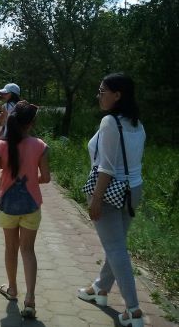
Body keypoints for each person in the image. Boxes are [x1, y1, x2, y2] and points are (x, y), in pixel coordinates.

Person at [77, 73, 146, 327]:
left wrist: (96, 199)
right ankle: (100, 289)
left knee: (116, 249)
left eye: (102, 91)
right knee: (115, 245)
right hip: (133, 189)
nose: (99, 95)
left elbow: (105, 167)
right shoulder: (136, 124)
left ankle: (133, 310)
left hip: (109, 192)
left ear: (117, 95)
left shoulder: (109, 122)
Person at [0, 101, 50, 319]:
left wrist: (3, 176)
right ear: (31, 123)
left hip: (7, 206)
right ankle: (30, 299)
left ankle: (12, 289)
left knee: (10, 247)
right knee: (28, 250)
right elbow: (46, 178)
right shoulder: (40, 146)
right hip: (31, 206)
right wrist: (31, 179)